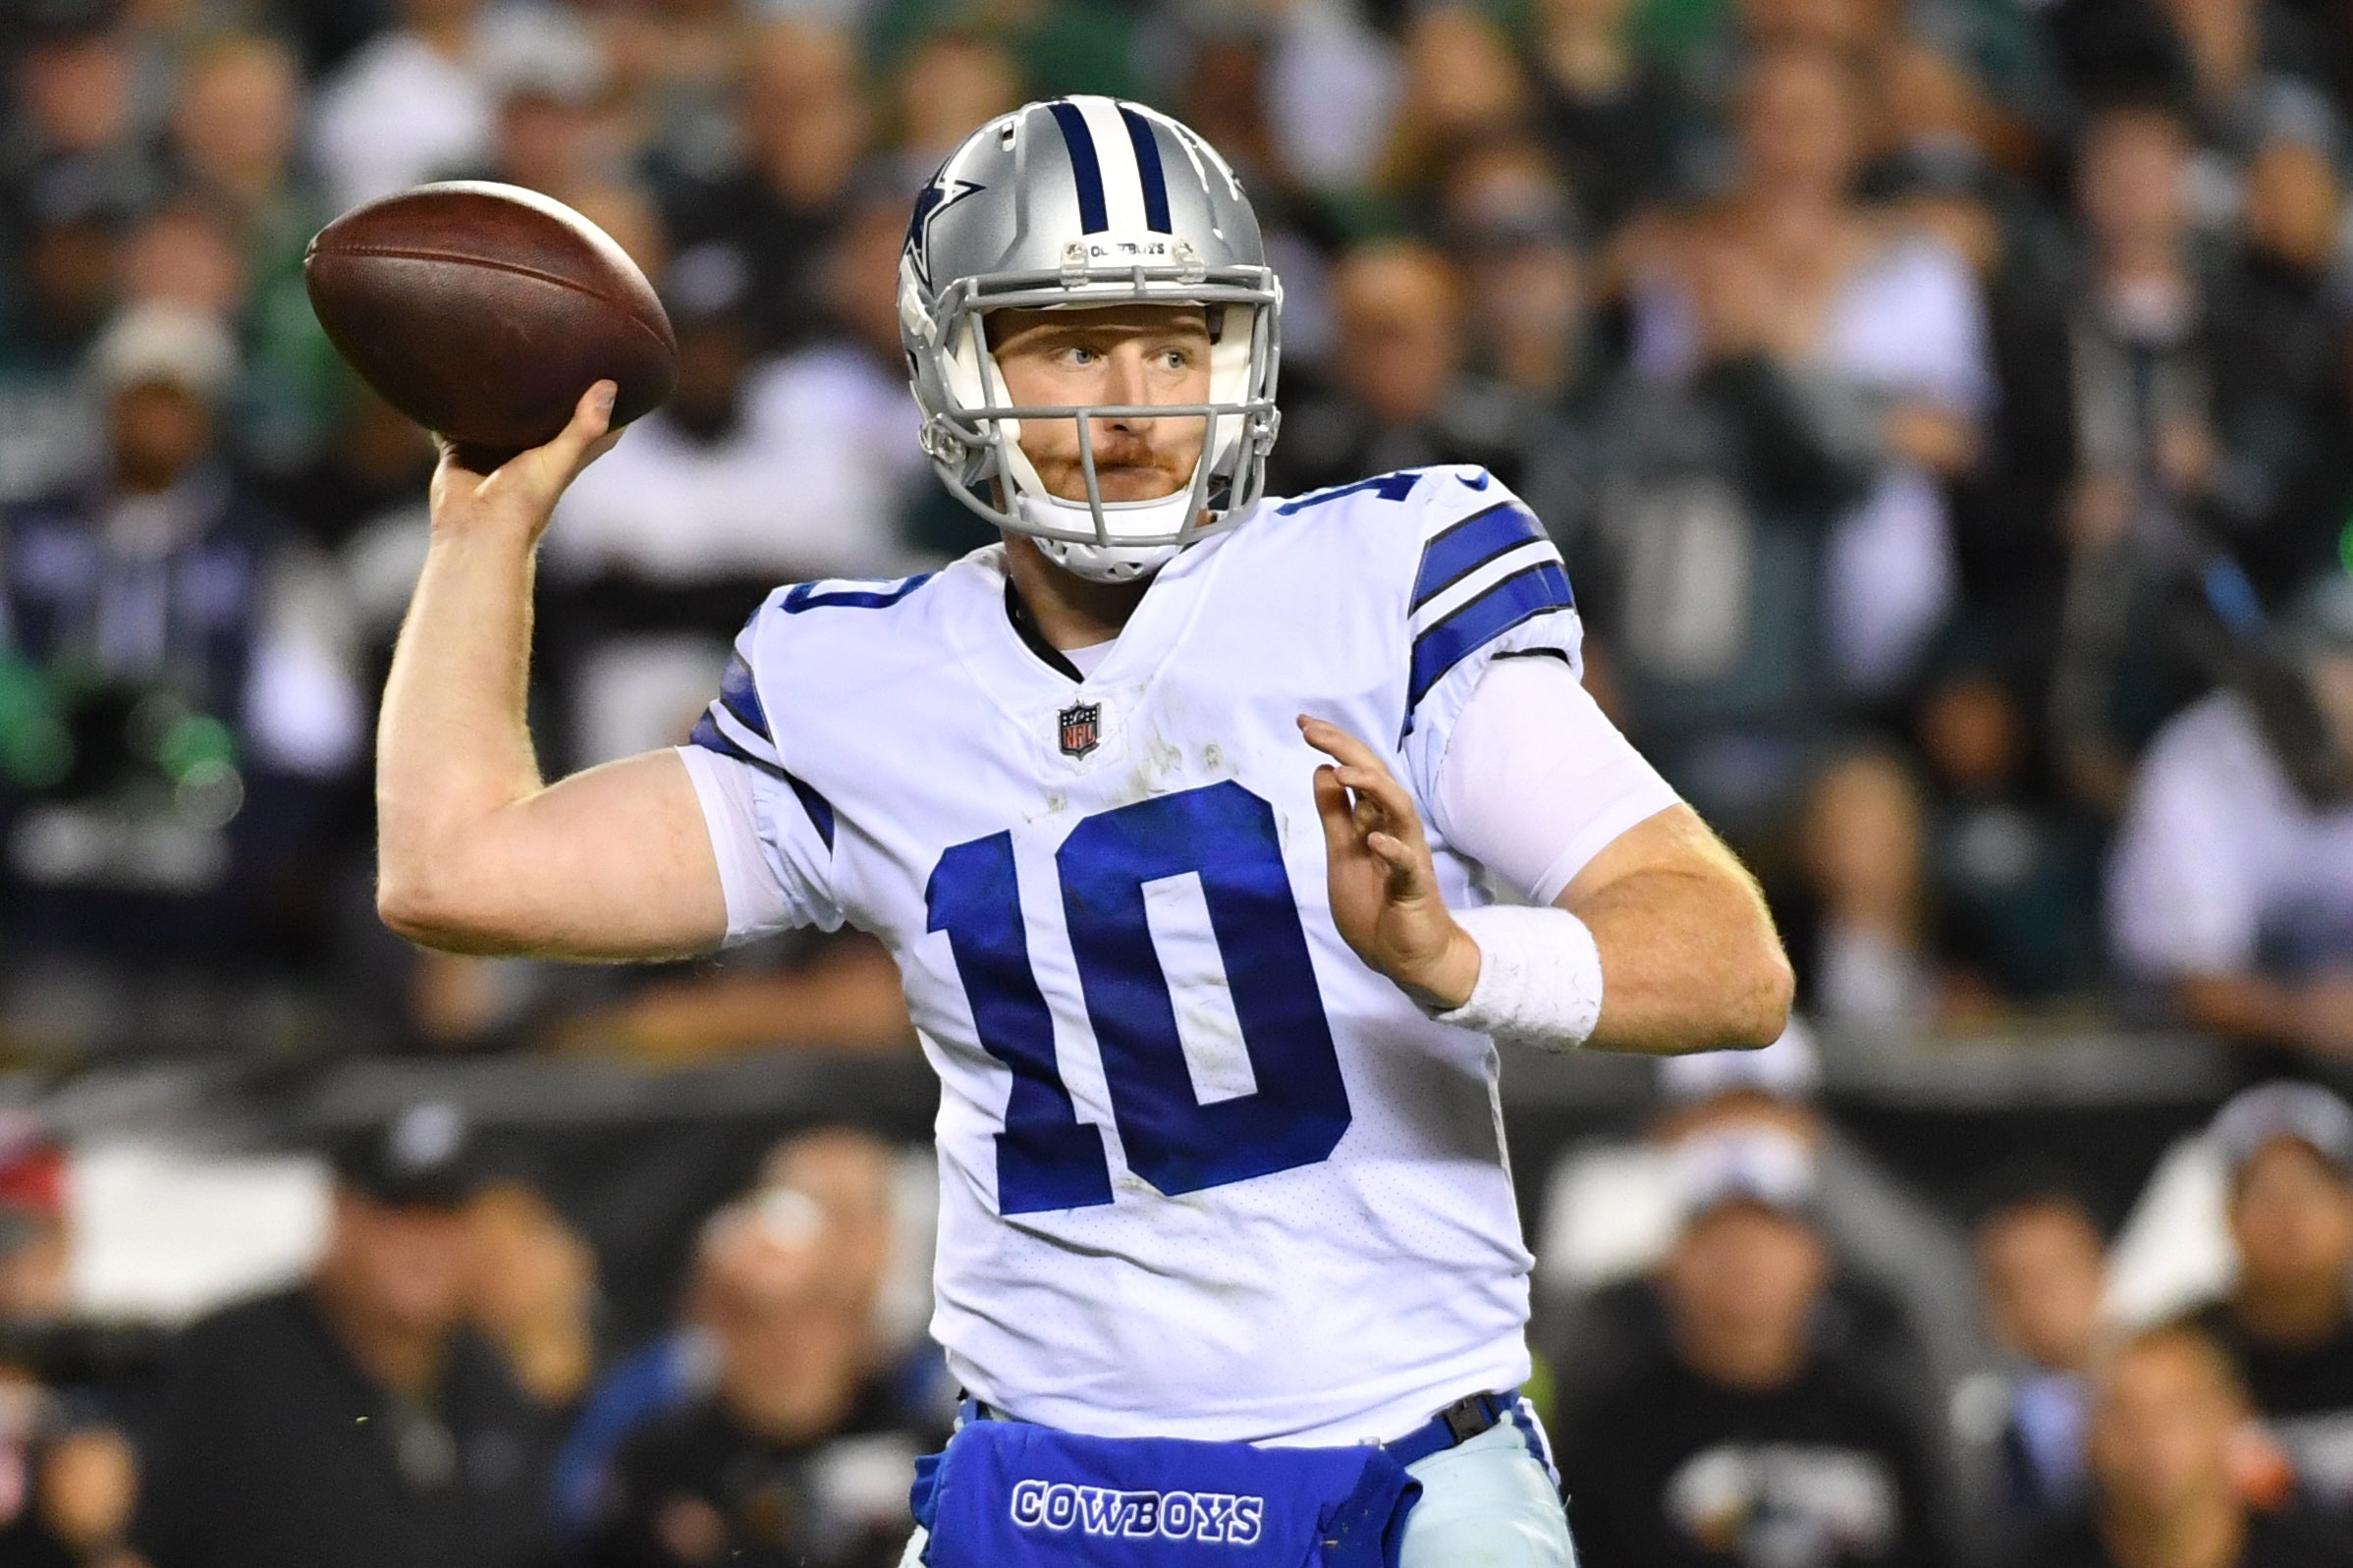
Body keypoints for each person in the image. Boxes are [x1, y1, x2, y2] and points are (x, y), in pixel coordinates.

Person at [372, 95, 1793, 1566]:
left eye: (1176, 346)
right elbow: (454, 869)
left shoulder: (1385, 582)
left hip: (1391, 1466)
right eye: (1069, 344)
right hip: (1045, 1493)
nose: (1134, 402)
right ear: (956, 365)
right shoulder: (859, 680)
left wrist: (1459, 958)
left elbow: (1728, 959)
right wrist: (482, 530)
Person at [131, 1102, 558, 1568]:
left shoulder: (492, 1384)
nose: (423, 1245)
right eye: (397, 1214)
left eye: (444, 1217)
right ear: (341, 1216)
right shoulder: (230, 1364)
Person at [1554, 1130, 1951, 1568]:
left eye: (1768, 1235)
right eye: (1718, 1237)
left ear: (1816, 1257)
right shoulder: (1610, 1431)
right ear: (1670, 1262)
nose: (1744, 1258)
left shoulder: (1881, 1426)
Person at [581, 1188, 935, 1567]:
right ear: (706, 1320)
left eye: (811, 1308)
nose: (785, 1340)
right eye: (753, 1313)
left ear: (855, 1317)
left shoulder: (939, 1455)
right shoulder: (654, 1472)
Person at [2013, 1322, 2353, 1568]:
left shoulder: (2325, 1553)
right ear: (2088, 1437)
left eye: (2175, 1413)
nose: (2151, 1439)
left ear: (2232, 1417)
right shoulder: (2029, 1558)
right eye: (2124, 1416)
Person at [2191, 1083, 2353, 1513]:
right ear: (2227, 1214)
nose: (2289, 1215)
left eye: (2309, 1188)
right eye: (2264, 1192)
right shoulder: (2182, 1356)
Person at [1973, 1178, 2109, 1523]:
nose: (2045, 1295)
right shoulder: (1973, 1430)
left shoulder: (2168, 1387)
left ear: (2100, 1273)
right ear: (1992, 1307)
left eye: (2059, 1269)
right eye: (2020, 1280)